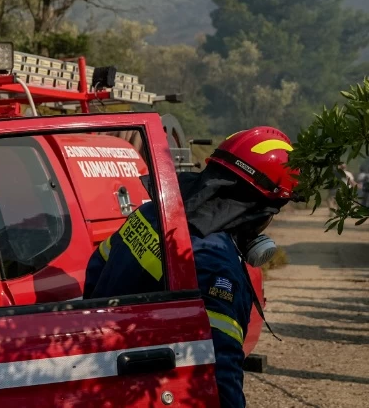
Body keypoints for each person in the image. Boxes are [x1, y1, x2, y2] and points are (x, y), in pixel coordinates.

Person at [84, 127, 297, 408]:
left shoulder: (153, 212)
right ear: (261, 209)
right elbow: (221, 367)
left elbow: (97, 266)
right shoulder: (217, 263)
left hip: (101, 371)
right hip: (156, 389)